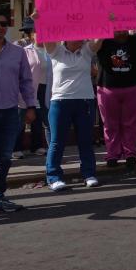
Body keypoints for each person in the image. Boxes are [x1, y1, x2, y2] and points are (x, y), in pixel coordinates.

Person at [34, 18, 103, 191]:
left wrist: (107, 20)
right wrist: (39, 19)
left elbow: (100, 37)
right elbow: (44, 35)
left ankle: (89, 174)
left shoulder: (87, 50)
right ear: (67, 36)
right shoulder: (56, 50)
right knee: (57, 141)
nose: (80, 38)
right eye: (76, 34)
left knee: (85, 140)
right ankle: (54, 177)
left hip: (84, 101)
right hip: (60, 101)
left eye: (82, 34)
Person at [0, 9, 36, 212]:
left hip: (9, 112)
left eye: (3, 24)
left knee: (5, 157)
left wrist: (31, 106)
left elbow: (25, 81)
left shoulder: (18, 52)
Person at [96, 30, 136, 174]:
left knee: (131, 124)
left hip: (132, 88)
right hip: (108, 89)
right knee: (109, 124)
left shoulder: (135, 40)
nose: (122, 28)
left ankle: (130, 154)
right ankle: (112, 154)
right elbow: (93, 45)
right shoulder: (103, 41)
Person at [14, 19, 51, 157]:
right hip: (27, 88)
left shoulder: (51, 50)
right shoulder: (24, 51)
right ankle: (16, 148)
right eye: (36, 31)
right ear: (30, 35)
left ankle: (37, 146)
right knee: (21, 118)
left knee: (40, 118)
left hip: (45, 88)